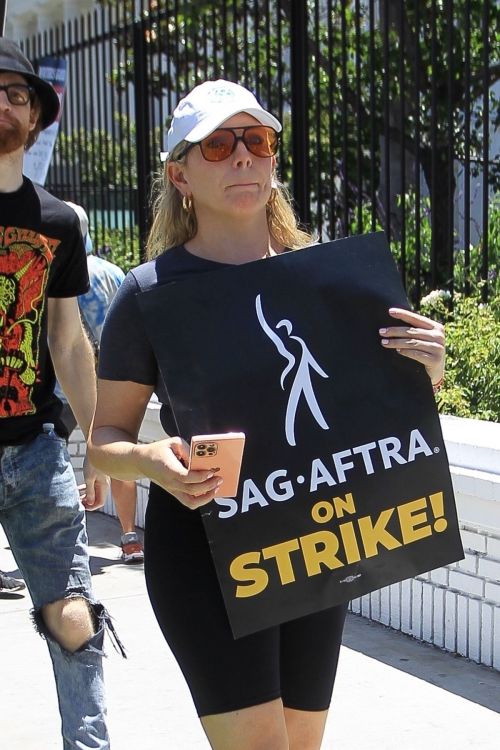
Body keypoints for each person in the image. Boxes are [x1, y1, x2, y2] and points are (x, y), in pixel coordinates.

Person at [89, 79, 445, 749]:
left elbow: (378, 409)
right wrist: (149, 461)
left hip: (313, 543)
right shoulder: (149, 296)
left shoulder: (330, 280)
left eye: (257, 140)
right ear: (180, 174)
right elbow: (102, 441)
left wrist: (427, 366)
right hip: (204, 550)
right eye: (218, 145)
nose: (243, 158)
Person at [0, 38, 122, 749]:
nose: (6, 105)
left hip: (36, 451)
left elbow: (70, 342)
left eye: (19, 94)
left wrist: (97, 445)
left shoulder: (59, 223)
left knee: (74, 618)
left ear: (38, 116)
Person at [59, 201, 143, 564]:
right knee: (120, 455)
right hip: (112, 380)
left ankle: (60, 539)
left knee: (52, 458)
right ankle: (129, 538)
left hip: (65, 386)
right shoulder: (111, 271)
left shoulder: (54, 270)